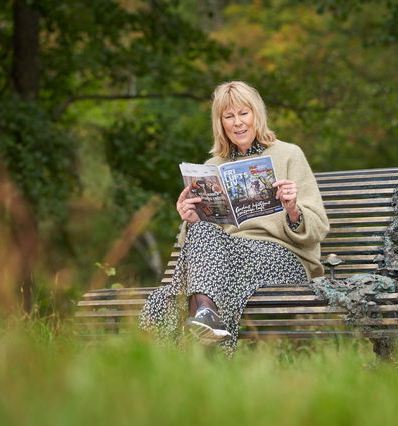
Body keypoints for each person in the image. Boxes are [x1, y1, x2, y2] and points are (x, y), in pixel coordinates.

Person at [139, 81, 329, 355]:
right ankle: (205, 320)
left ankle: (198, 332)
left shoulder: (288, 154)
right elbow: (193, 245)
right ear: (221, 123)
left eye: (244, 113)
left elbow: (318, 228)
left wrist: (293, 209)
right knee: (202, 233)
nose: (238, 123)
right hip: (227, 258)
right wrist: (191, 219)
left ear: (256, 116)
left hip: (283, 258)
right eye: (229, 116)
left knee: (171, 296)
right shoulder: (212, 167)